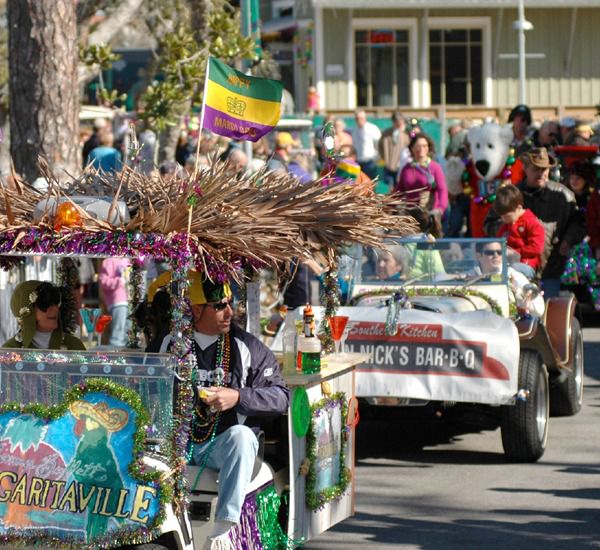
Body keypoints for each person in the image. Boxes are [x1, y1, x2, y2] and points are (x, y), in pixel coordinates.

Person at [151, 271, 289, 550]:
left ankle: (224, 530)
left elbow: (281, 397)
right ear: (195, 309)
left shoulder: (246, 346)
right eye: (219, 306)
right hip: (175, 444)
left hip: (220, 444)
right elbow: (146, 392)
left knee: (242, 436)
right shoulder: (168, 344)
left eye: (230, 303)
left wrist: (237, 396)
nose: (229, 311)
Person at [514, 148, 586, 297]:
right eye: (536, 169)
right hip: (519, 268)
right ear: (525, 169)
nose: (541, 173)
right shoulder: (513, 194)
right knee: (523, 314)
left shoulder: (563, 195)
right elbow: (491, 223)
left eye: (545, 169)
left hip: (552, 266)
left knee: (550, 312)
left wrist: (568, 239)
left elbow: (579, 222)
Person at [2, 280, 86, 350]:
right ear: (26, 312)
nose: (55, 309)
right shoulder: (10, 352)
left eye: (56, 303)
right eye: (45, 304)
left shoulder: (74, 347)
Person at [394, 133, 448, 235]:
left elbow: (442, 190)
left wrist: (440, 209)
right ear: (412, 149)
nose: (421, 149)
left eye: (424, 146)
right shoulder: (407, 168)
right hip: (410, 214)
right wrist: (391, 204)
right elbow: (399, 190)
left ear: (428, 148)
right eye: (418, 146)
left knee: (429, 245)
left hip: (429, 214)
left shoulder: (435, 167)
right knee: (411, 245)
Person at [475, 241, 545, 317]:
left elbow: (539, 311)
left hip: (504, 322)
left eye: (499, 252)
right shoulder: (468, 275)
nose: (496, 255)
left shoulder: (513, 275)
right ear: (479, 256)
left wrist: (518, 293)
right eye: (490, 252)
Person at [493, 184, 545, 279]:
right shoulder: (506, 224)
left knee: (512, 272)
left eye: (507, 216)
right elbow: (498, 242)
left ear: (519, 208)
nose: (504, 219)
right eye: (501, 216)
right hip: (505, 264)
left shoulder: (531, 223)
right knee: (492, 274)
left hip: (525, 264)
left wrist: (514, 252)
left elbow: (537, 248)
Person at [98, 258, 131, 347]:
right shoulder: (109, 261)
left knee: (128, 331)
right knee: (118, 332)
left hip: (130, 300)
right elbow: (103, 281)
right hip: (118, 301)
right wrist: (119, 281)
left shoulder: (126, 259)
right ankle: (116, 355)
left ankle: (126, 354)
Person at [378, 111, 409, 191]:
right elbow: (380, 147)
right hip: (388, 166)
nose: (399, 123)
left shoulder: (406, 134)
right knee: (389, 187)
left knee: (400, 188)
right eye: (397, 121)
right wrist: (385, 158)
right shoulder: (386, 133)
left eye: (401, 121)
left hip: (401, 166)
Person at [351, 110, 381, 180]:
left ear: (365, 118)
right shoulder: (355, 130)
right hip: (358, 162)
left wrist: (376, 158)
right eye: (357, 118)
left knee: (370, 183)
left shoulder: (372, 128)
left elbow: (379, 144)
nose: (359, 120)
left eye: (361, 118)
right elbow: (354, 145)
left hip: (370, 162)